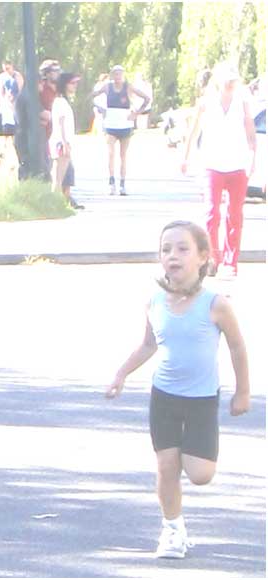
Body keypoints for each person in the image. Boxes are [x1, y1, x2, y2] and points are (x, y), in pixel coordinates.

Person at [106, 220, 250, 559]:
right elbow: (147, 345)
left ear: (202, 257)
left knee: (200, 474)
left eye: (183, 249)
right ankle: (172, 530)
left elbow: (237, 347)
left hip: (201, 399)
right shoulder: (155, 301)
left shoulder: (216, 305)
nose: (173, 256)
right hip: (164, 396)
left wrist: (242, 392)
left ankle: (189, 455)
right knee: (165, 466)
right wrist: (121, 374)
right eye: (166, 249)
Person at [181, 62, 256, 279]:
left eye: (233, 81)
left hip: (237, 164)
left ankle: (231, 262)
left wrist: (253, 158)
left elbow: (250, 133)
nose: (230, 84)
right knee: (211, 214)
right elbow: (193, 132)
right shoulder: (206, 103)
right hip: (211, 164)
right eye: (227, 81)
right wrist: (184, 158)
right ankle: (213, 258)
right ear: (219, 82)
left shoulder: (243, 103)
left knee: (234, 215)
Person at [91, 64, 150, 195]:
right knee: (111, 153)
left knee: (123, 155)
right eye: (115, 74)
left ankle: (123, 184)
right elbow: (92, 96)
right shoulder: (107, 87)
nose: (118, 77)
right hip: (111, 124)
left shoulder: (128, 87)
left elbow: (146, 98)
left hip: (125, 124)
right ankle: (111, 183)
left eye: (120, 74)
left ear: (123, 75)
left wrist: (137, 113)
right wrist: (100, 109)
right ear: (112, 75)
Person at [48, 72, 84, 209]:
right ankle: (54, 204)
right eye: (72, 83)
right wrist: (64, 143)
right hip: (61, 142)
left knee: (60, 176)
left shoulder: (61, 101)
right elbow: (61, 123)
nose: (75, 86)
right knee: (58, 177)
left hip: (63, 141)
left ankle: (57, 203)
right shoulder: (60, 101)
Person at [0, 60, 24, 136]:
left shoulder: (17, 76)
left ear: (12, 66)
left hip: (16, 103)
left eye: (8, 68)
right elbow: (0, 92)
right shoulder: (1, 77)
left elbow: (20, 90)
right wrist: (3, 102)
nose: (6, 70)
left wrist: (14, 100)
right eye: (5, 69)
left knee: (17, 124)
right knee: (7, 126)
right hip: (6, 104)